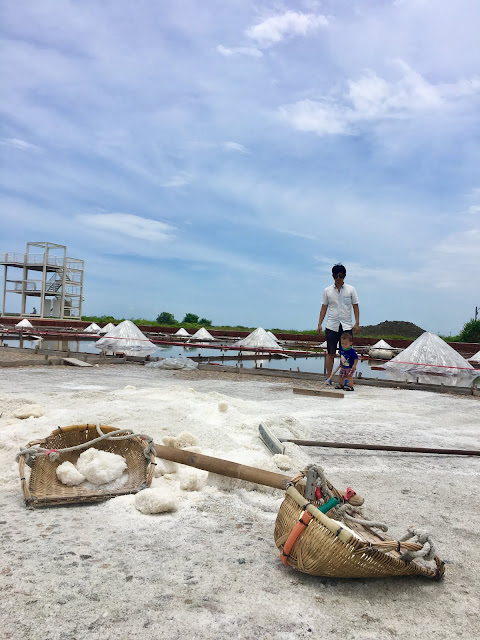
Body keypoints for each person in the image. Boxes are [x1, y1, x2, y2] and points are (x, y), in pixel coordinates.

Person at [317, 263, 360, 379]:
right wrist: (319, 323)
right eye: (335, 276)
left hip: (346, 326)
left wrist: (357, 323)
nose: (338, 279)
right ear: (332, 276)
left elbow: (355, 306)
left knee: (345, 353)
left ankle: (344, 378)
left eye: (340, 276)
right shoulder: (327, 291)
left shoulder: (351, 290)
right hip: (332, 325)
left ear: (344, 276)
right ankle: (329, 377)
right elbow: (324, 308)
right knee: (330, 352)